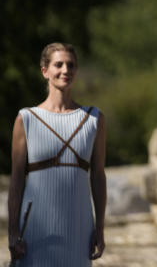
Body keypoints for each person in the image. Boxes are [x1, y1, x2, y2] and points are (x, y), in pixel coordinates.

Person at [7, 43, 107, 266]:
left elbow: (98, 176)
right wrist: (12, 232)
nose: (65, 70)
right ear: (45, 71)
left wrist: (99, 228)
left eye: (71, 65)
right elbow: (16, 180)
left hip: (79, 225)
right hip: (35, 226)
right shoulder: (27, 119)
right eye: (58, 64)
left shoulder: (94, 119)